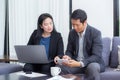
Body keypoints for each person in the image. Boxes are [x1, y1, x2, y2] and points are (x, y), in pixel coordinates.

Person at [57, 9, 105, 80]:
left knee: (93, 67)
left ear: (85, 22)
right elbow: (69, 50)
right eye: (73, 25)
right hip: (76, 63)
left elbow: (96, 56)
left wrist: (80, 63)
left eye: (77, 25)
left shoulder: (96, 33)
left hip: (91, 63)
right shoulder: (72, 33)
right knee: (58, 67)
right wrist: (67, 57)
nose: (75, 27)